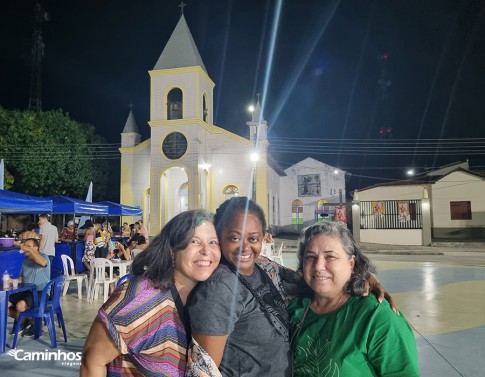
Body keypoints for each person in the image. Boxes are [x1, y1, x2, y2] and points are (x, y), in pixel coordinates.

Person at [188, 197, 391, 376]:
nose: (245, 247)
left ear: (264, 237)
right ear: (219, 235)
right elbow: (203, 370)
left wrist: (362, 275)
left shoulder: (264, 267)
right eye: (234, 237)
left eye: (253, 238)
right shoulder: (219, 289)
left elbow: (313, 277)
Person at [80, 209, 222, 377]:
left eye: (213, 242)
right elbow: (93, 360)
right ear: (172, 250)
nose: (206, 250)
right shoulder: (141, 296)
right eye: (194, 241)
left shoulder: (209, 296)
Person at [289, 222, 419, 376]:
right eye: (310, 257)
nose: (318, 266)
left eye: (330, 256)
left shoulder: (376, 317)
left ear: (351, 263)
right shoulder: (294, 307)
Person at [8, 238, 51, 337]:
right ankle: (27, 320)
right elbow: (22, 279)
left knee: (20, 306)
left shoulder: (44, 257)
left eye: (29, 246)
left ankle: (30, 322)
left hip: (41, 292)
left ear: (36, 248)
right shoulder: (25, 262)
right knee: (3, 304)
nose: (25, 249)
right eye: (25, 246)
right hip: (26, 291)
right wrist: (11, 281)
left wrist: (27, 248)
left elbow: (43, 263)